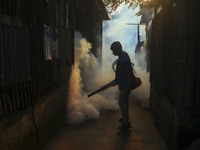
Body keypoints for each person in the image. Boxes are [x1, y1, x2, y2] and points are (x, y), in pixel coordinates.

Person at [110, 41, 133, 129]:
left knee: (123, 104)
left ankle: (126, 122)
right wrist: (116, 80)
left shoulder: (123, 59)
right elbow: (121, 72)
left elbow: (129, 73)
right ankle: (125, 119)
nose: (113, 53)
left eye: (113, 50)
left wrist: (128, 87)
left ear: (117, 49)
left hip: (125, 85)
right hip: (123, 84)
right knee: (123, 104)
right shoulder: (123, 56)